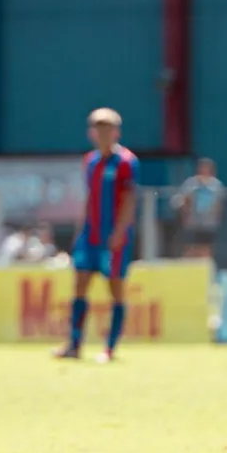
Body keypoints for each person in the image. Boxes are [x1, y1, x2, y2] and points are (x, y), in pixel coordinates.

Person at [54, 108, 139, 364]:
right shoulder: (90, 161)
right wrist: (81, 229)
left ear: (116, 132)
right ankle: (74, 345)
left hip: (113, 238)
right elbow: (90, 198)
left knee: (115, 289)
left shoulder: (126, 162)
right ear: (92, 133)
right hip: (89, 236)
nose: (102, 134)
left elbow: (129, 199)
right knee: (79, 286)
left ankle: (109, 349)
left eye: (107, 129)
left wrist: (119, 232)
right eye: (97, 129)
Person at [171, 158, 224, 259]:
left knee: (206, 247)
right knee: (190, 247)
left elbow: (218, 204)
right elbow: (183, 199)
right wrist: (184, 214)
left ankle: (206, 267)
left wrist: (217, 219)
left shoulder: (216, 185)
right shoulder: (191, 184)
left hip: (209, 223)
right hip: (193, 222)